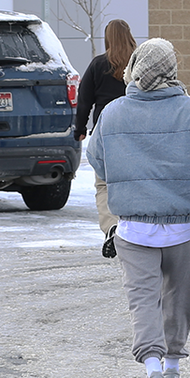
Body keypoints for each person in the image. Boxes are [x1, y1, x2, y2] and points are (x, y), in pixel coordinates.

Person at [87, 38, 190, 378]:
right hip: (185, 227)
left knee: (143, 300)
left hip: (134, 228)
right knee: (179, 297)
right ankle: (175, 364)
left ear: (135, 68)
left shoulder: (113, 113)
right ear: (171, 69)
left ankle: (152, 369)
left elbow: (97, 162)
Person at [75, 19, 137, 256]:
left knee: (104, 184)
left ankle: (112, 226)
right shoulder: (139, 62)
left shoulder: (98, 64)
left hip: (105, 132)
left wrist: (79, 128)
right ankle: (136, 227)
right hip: (135, 130)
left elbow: (84, 100)